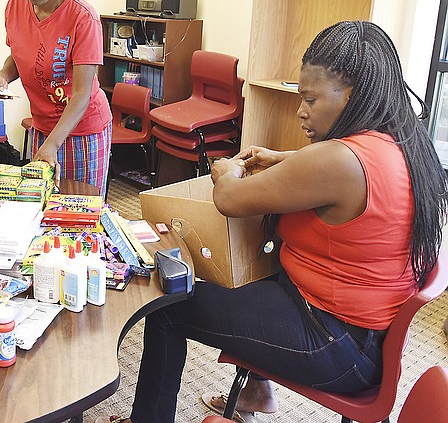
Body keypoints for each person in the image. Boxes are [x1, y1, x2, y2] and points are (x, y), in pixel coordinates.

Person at [109, 21, 446, 423]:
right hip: (366, 339)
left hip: (333, 344)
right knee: (258, 268)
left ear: (352, 93)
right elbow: (339, 176)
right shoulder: (400, 142)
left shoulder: (340, 160)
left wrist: (225, 171)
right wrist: (286, 159)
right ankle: (257, 391)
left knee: (168, 307)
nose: (301, 110)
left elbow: (230, 199)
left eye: (311, 99)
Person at [0, 0, 112, 194]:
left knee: (80, 208)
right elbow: (19, 53)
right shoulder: (15, 4)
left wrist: (53, 144)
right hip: (42, 127)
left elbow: (82, 94)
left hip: (82, 132)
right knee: (42, 206)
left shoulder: (83, 18)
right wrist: (3, 75)